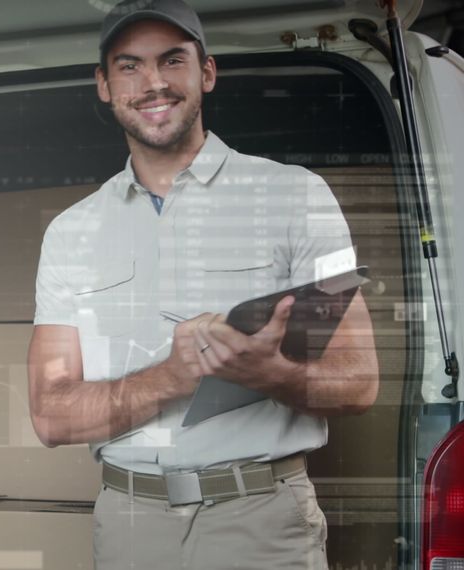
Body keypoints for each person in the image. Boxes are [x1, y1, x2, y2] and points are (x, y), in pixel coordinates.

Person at [26, 0, 380, 568]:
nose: (154, 83)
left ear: (206, 72)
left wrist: (273, 374)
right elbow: (51, 414)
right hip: (128, 524)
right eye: (130, 66)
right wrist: (174, 375)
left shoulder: (296, 195)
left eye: (172, 61)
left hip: (260, 518)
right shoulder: (71, 231)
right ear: (103, 84)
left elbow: (358, 383)